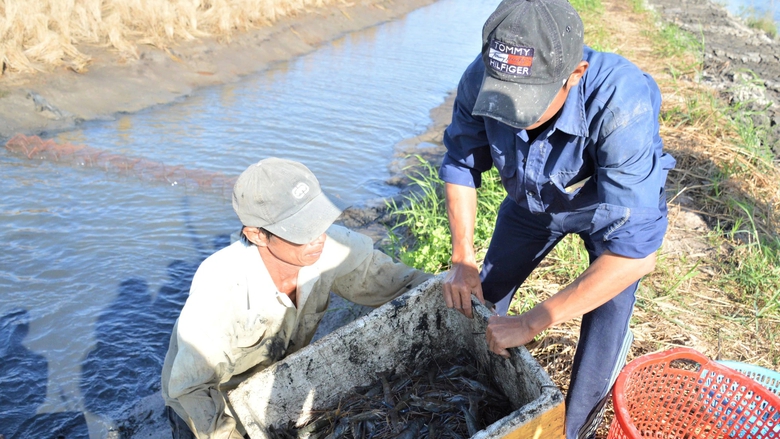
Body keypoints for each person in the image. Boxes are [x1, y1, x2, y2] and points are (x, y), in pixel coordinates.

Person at [438, 0, 676, 437]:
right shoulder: (482, 74)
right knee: (480, 297)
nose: (512, 118)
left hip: (610, 212)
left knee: (606, 315)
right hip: (532, 201)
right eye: (501, 101)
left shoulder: (623, 103)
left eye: (526, 105)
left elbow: (635, 257)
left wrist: (535, 321)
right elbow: (460, 163)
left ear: (575, 75)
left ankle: (576, 428)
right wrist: (462, 256)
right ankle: (488, 398)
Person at [161, 157, 431, 439]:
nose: (318, 237)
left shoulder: (331, 247)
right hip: (207, 401)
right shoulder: (222, 293)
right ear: (257, 235)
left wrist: (457, 294)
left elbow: (399, 283)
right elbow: (192, 390)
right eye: (301, 229)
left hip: (273, 380)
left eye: (318, 220)